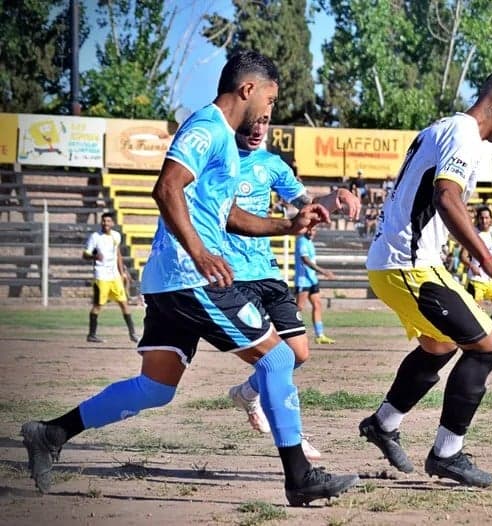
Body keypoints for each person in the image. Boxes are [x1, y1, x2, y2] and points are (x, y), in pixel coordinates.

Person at [20, 50, 358, 505]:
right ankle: (300, 479)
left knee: (155, 388)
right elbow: (166, 186)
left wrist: (286, 225)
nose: (269, 112)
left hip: (168, 282)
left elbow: (227, 214)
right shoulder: (208, 127)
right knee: (278, 360)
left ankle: (51, 433)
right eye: (271, 100)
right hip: (189, 278)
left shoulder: (227, 143)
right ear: (248, 89)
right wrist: (199, 254)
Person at [360, 67, 492, 488]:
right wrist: (489, 259)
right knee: (488, 346)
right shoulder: (464, 134)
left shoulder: (445, 127)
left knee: (439, 346)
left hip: (402, 261)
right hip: (409, 265)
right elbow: (446, 195)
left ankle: (383, 424)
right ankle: (447, 454)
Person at [223, 119, 360, 458]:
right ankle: (293, 438)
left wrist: (336, 196)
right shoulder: (219, 158)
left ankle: (247, 393)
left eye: (264, 123)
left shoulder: (271, 164)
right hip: (232, 274)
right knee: (277, 358)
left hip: (266, 272)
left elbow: (305, 203)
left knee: (298, 353)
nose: (257, 130)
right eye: (250, 123)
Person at [83, 212, 138, 343]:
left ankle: (133, 334)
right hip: (101, 276)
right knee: (98, 305)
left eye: (108, 221)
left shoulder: (116, 236)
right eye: (103, 221)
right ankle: (91, 335)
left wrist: (123, 272)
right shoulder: (95, 237)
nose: (105, 223)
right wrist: (94, 256)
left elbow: (118, 254)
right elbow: (85, 255)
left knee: (124, 304)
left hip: (115, 277)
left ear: (112, 223)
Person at [460, 206, 492, 325]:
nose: (484, 221)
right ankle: (468, 339)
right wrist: (471, 266)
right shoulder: (472, 233)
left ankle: (489, 332)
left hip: (491, 278)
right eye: (481, 218)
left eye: (486, 218)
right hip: (476, 280)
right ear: (478, 219)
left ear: (491, 219)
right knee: (476, 313)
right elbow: (463, 256)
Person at [295, 228, 336, 344]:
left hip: (312, 279)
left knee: (317, 304)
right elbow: (305, 260)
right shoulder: (302, 241)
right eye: (309, 230)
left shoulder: (309, 242)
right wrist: (323, 271)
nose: (311, 232)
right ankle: (287, 333)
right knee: (299, 308)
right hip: (303, 280)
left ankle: (320, 335)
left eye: (313, 230)